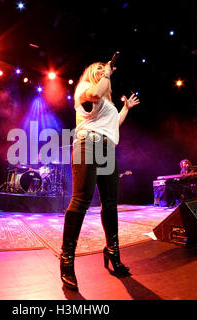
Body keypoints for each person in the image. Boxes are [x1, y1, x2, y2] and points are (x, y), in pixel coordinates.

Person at [60, 60, 140, 290]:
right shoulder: (85, 87)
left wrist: (124, 109)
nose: (101, 70)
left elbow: (113, 124)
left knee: (111, 204)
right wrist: (106, 74)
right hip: (88, 145)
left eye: (103, 68)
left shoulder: (109, 102)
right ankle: (66, 260)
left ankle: (112, 251)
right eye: (96, 68)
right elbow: (95, 94)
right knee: (81, 201)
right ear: (89, 73)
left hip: (107, 148)